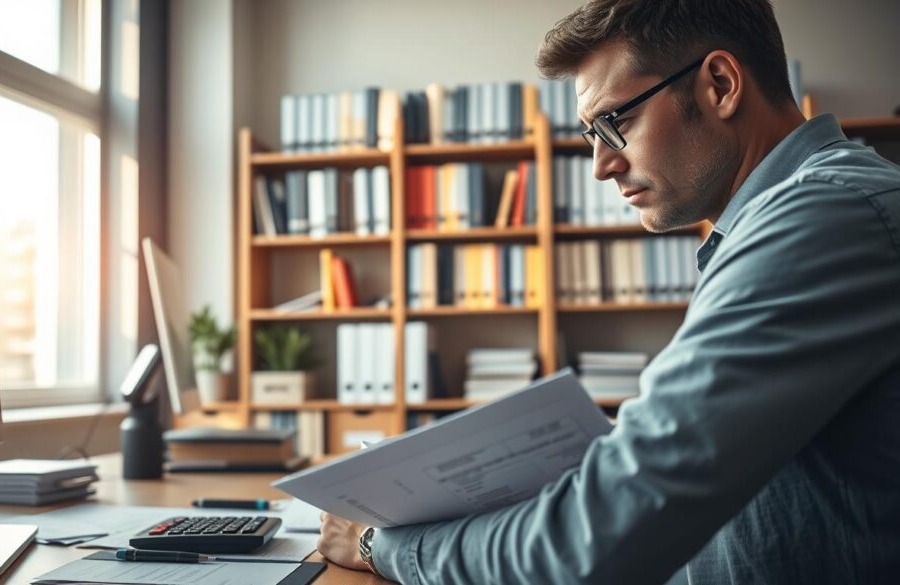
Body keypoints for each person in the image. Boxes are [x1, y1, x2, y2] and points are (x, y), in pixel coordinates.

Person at [317, 0, 900, 583]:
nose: (602, 165)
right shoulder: (794, 217)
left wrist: (381, 545)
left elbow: (596, 539)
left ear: (720, 85)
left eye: (615, 122)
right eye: (591, 134)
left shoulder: (823, 217)